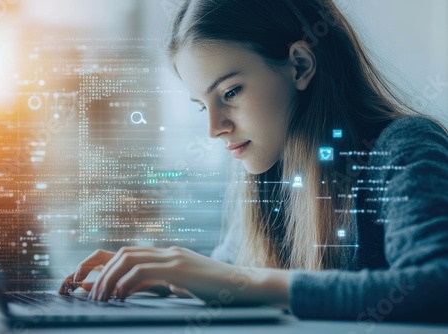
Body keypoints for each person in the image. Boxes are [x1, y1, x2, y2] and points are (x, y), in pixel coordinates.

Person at [60, 0, 448, 322]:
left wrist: (243, 282)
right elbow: (224, 276)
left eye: (230, 92)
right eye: (202, 107)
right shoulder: (271, 174)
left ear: (300, 66)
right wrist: (163, 278)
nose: (214, 128)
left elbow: (437, 286)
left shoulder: (401, 147)